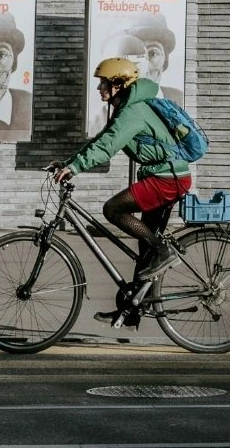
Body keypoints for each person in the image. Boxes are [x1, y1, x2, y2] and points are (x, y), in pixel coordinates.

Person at [50, 57, 193, 323]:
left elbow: (108, 147)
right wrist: (70, 163)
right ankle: (133, 310)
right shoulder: (125, 108)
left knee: (113, 209)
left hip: (168, 179)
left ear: (118, 84)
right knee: (145, 248)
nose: (99, 88)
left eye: (103, 82)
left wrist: (76, 168)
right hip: (165, 176)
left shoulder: (133, 112)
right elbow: (102, 140)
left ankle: (163, 250)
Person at [110, 17, 185, 106]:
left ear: (165, 61)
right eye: (134, 56)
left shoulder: (181, 100)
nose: (143, 68)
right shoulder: (108, 113)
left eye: (153, 53)